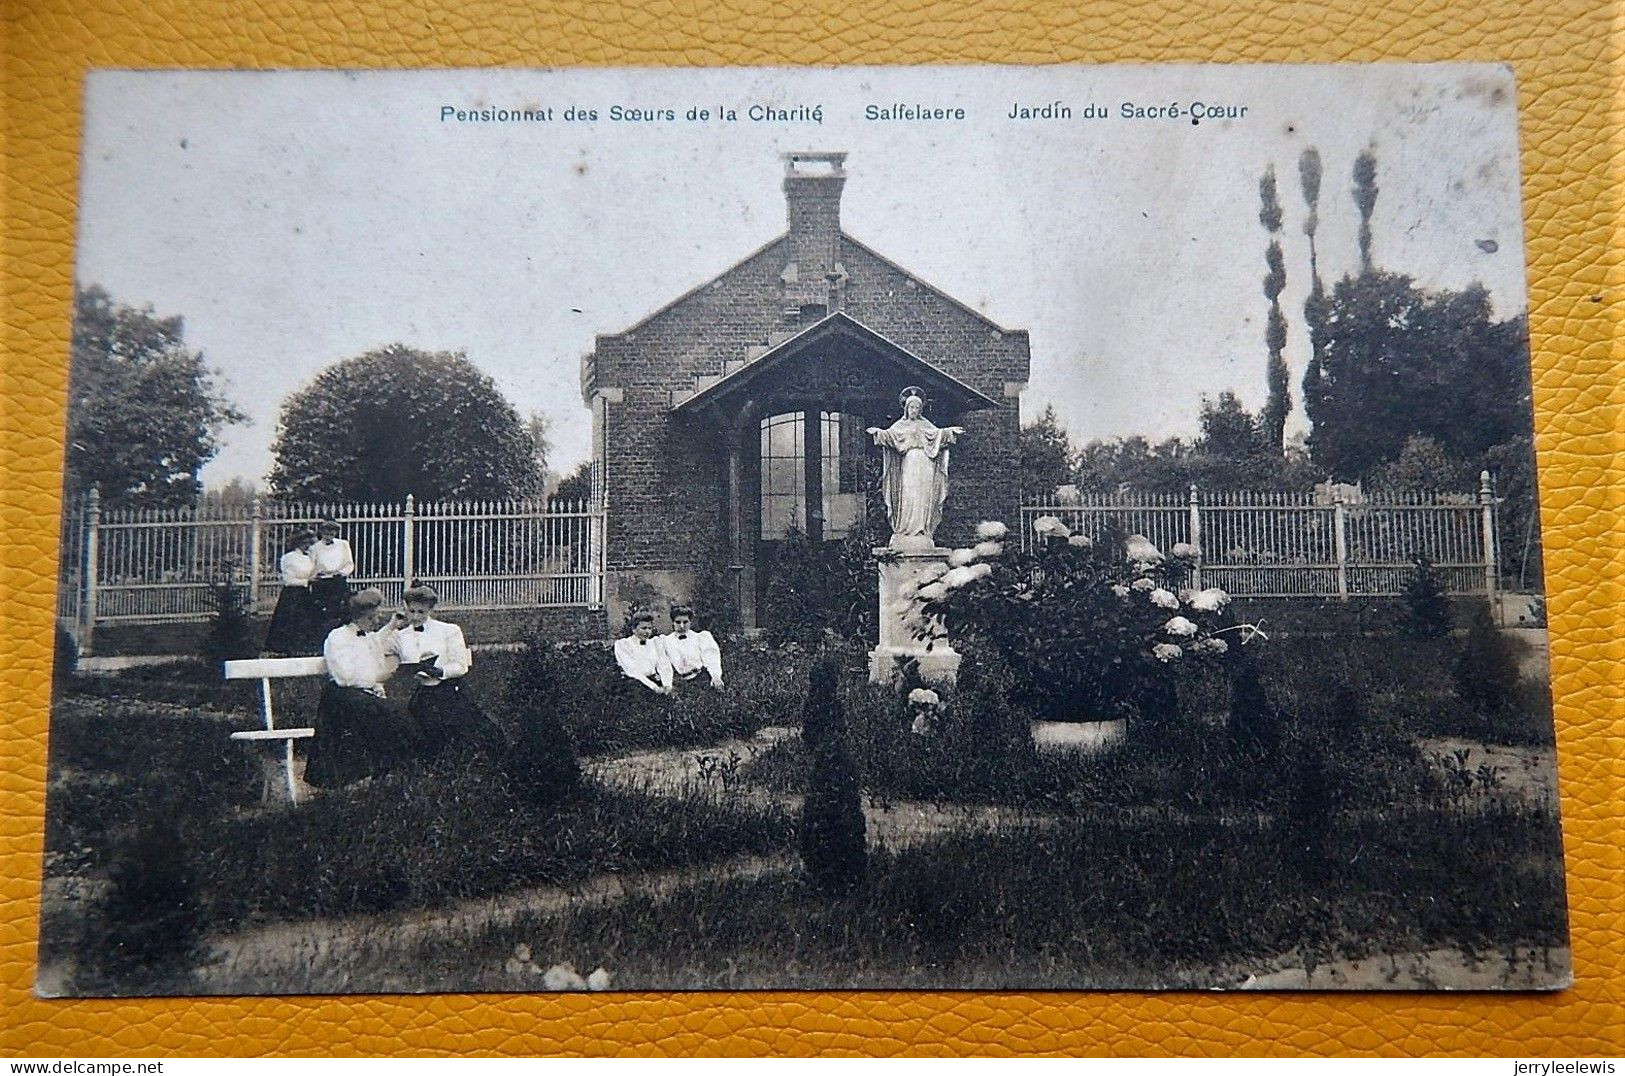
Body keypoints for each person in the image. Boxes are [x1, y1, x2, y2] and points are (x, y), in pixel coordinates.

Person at [304, 587, 418, 788]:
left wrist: (392, 626)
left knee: (399, 717)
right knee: (386, 716)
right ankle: (375, 772)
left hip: (361, 696)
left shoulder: (366, 636)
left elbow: (374, 643)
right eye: (372, 617)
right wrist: (374, 681)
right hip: (341, 697)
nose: (376, 621)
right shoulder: (337, 638)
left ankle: (387, 772)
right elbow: (344, 677)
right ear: (358, 617)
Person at [394, 582, 505, 759]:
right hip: (423, 692)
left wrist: (440, 671)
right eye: (411, 611)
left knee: (471, 731)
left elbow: (460, 665)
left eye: (421, 612)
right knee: (421, 732)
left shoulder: (449, 631)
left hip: (449, 689)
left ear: (430, 610)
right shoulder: (400, 636)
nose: (415, 617)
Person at [867, 386, 965, 547]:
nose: (914, 410)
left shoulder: (926, 425)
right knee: (908, 494)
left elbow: (938, 435)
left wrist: (950, 431)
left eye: (917, 407)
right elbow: (890, 436)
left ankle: (922, 529)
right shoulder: (900, 426)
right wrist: (878, 432)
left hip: (925, 463)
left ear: (921, 409)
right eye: (911, 407)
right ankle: (905, 529)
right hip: (909, 462)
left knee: (923, 496)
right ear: (906, 408)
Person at [262, 529, 322, 656]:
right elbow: (289, 579)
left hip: (307, 593)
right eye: (305, 543)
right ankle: (283, 650)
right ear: (298, 543)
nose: (308, 546)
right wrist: (307, 580)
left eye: (310, 543)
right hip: (293, 594)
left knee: (307, 621)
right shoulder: (289, 558)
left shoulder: (312, 558)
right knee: (289, 620)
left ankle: (304, 649)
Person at [660, 604, 723, 692]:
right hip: (679, 683)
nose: (682, 626)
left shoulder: (700, 638)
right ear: (672, 623)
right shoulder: (665, 641)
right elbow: (663, 665)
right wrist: (667, 684)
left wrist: (716, 676)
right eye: (678, 622)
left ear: (690, 622)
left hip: (700, 680)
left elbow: (711, 657)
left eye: (685, 622)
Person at [309, 517, 356, 628]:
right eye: (326, 530)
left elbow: (349, 564)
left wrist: (341, 573)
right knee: (322, 614)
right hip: (322, 584)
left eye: (332, 530)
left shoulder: (343, 544)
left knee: (342, 611)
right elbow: (311, 566)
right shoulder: (314, 548)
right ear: (321, 531)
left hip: (338, 582)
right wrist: (316, 575)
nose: (329, 533)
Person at [612, 610, 673, 695]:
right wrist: (653, 687)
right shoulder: (624, 645)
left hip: (655, 683)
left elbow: (663, 664)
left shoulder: (655, 643)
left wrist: (667, 684)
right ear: (634, 629)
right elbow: (632, 670)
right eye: (643, 628)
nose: (647, 632)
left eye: (649, 628)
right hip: (635, 686)